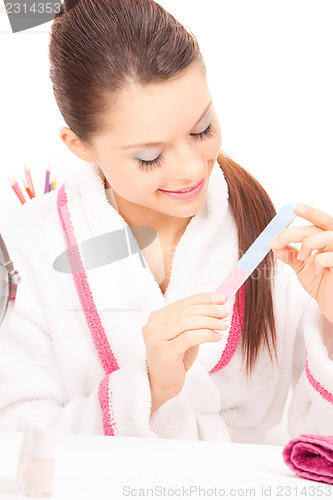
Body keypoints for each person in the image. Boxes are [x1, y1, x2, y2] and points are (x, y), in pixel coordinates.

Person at [0, 0, 333, 443]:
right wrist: (149, 387)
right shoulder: (25, 250)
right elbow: (16, 446)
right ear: (78, 144)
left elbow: (315, 451)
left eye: (202, 129)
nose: (193, 169)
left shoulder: (270, 238)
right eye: (149, 156)